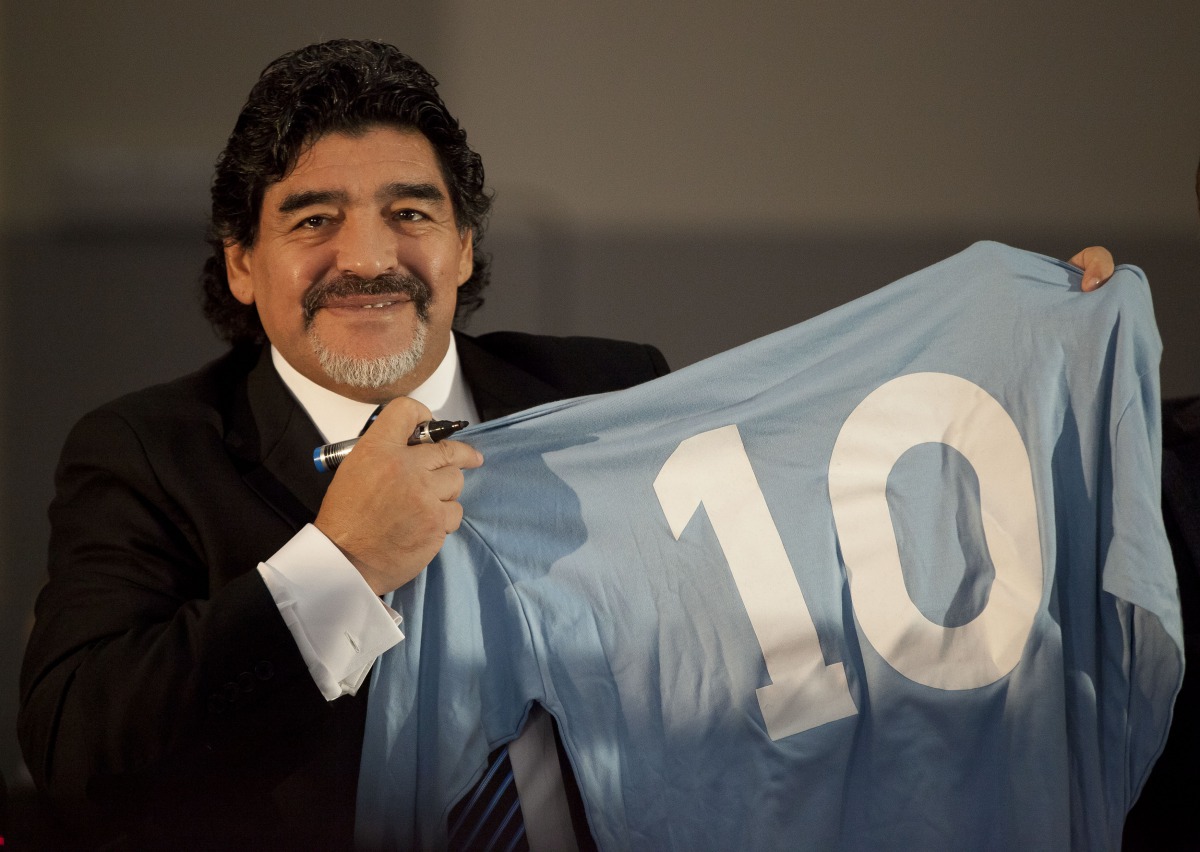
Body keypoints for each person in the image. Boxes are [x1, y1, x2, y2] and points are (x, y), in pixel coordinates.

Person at [17, 39, 1115, 851]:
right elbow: (76, 754)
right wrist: (338, 568)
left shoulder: (613, 390)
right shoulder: (145, 453)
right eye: (311, 220)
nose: (368, 254)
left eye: (411, 212)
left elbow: (817, 575)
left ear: (462, 247)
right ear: (242, 264)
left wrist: (1038, 364)